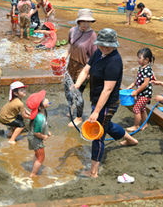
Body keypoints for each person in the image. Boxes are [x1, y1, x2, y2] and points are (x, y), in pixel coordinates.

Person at [74, 28, 138, 178]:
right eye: (101, 45)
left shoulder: (114, 61)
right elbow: (86, 70)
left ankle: (93, 172)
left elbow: (108, 89)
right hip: (97, 98)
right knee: (106, 125)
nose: (104, 48)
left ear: (114, 44)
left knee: (97, 134)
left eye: (107, 46)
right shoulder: (98, 52)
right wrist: (77, 85)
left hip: (107, 102)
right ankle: (130, 139)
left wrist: (96, 112)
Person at [62, 9, 97, 126]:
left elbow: (94, 56)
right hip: (71, 64)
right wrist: (65, 55)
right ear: (79, 21)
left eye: (88, 22)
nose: (86, 25)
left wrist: (89, 72)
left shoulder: (92, 36)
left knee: (78, 92)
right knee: (68, 89)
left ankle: (78, 117)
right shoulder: (72, 31)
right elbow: (70, 45)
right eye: (83, 22)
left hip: (83, 67)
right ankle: (71, 107)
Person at [126, 48, 155, 132]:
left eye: (139, 58)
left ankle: (136, 126)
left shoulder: (147, 69)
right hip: (141, 93)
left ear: (147, 59)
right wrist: (132, 84)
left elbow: (145, 83)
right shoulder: (141, 68)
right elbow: (139, 79)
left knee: (136, 109)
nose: (137, 60)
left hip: (145, 94)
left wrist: (136, 91)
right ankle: (145, 124)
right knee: (142, 109)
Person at [26, 90, 51, 177]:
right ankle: (33, 174)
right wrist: (44, 136)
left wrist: (47, 131)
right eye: (44, 100)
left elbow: (43, 125)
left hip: (33, 136)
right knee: (41, 157)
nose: (47, 99)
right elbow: (36, 132)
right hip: (35, 138)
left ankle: (34, 168)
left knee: (37, 155)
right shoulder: (39, 118)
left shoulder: (42, 113)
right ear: (40, 107)